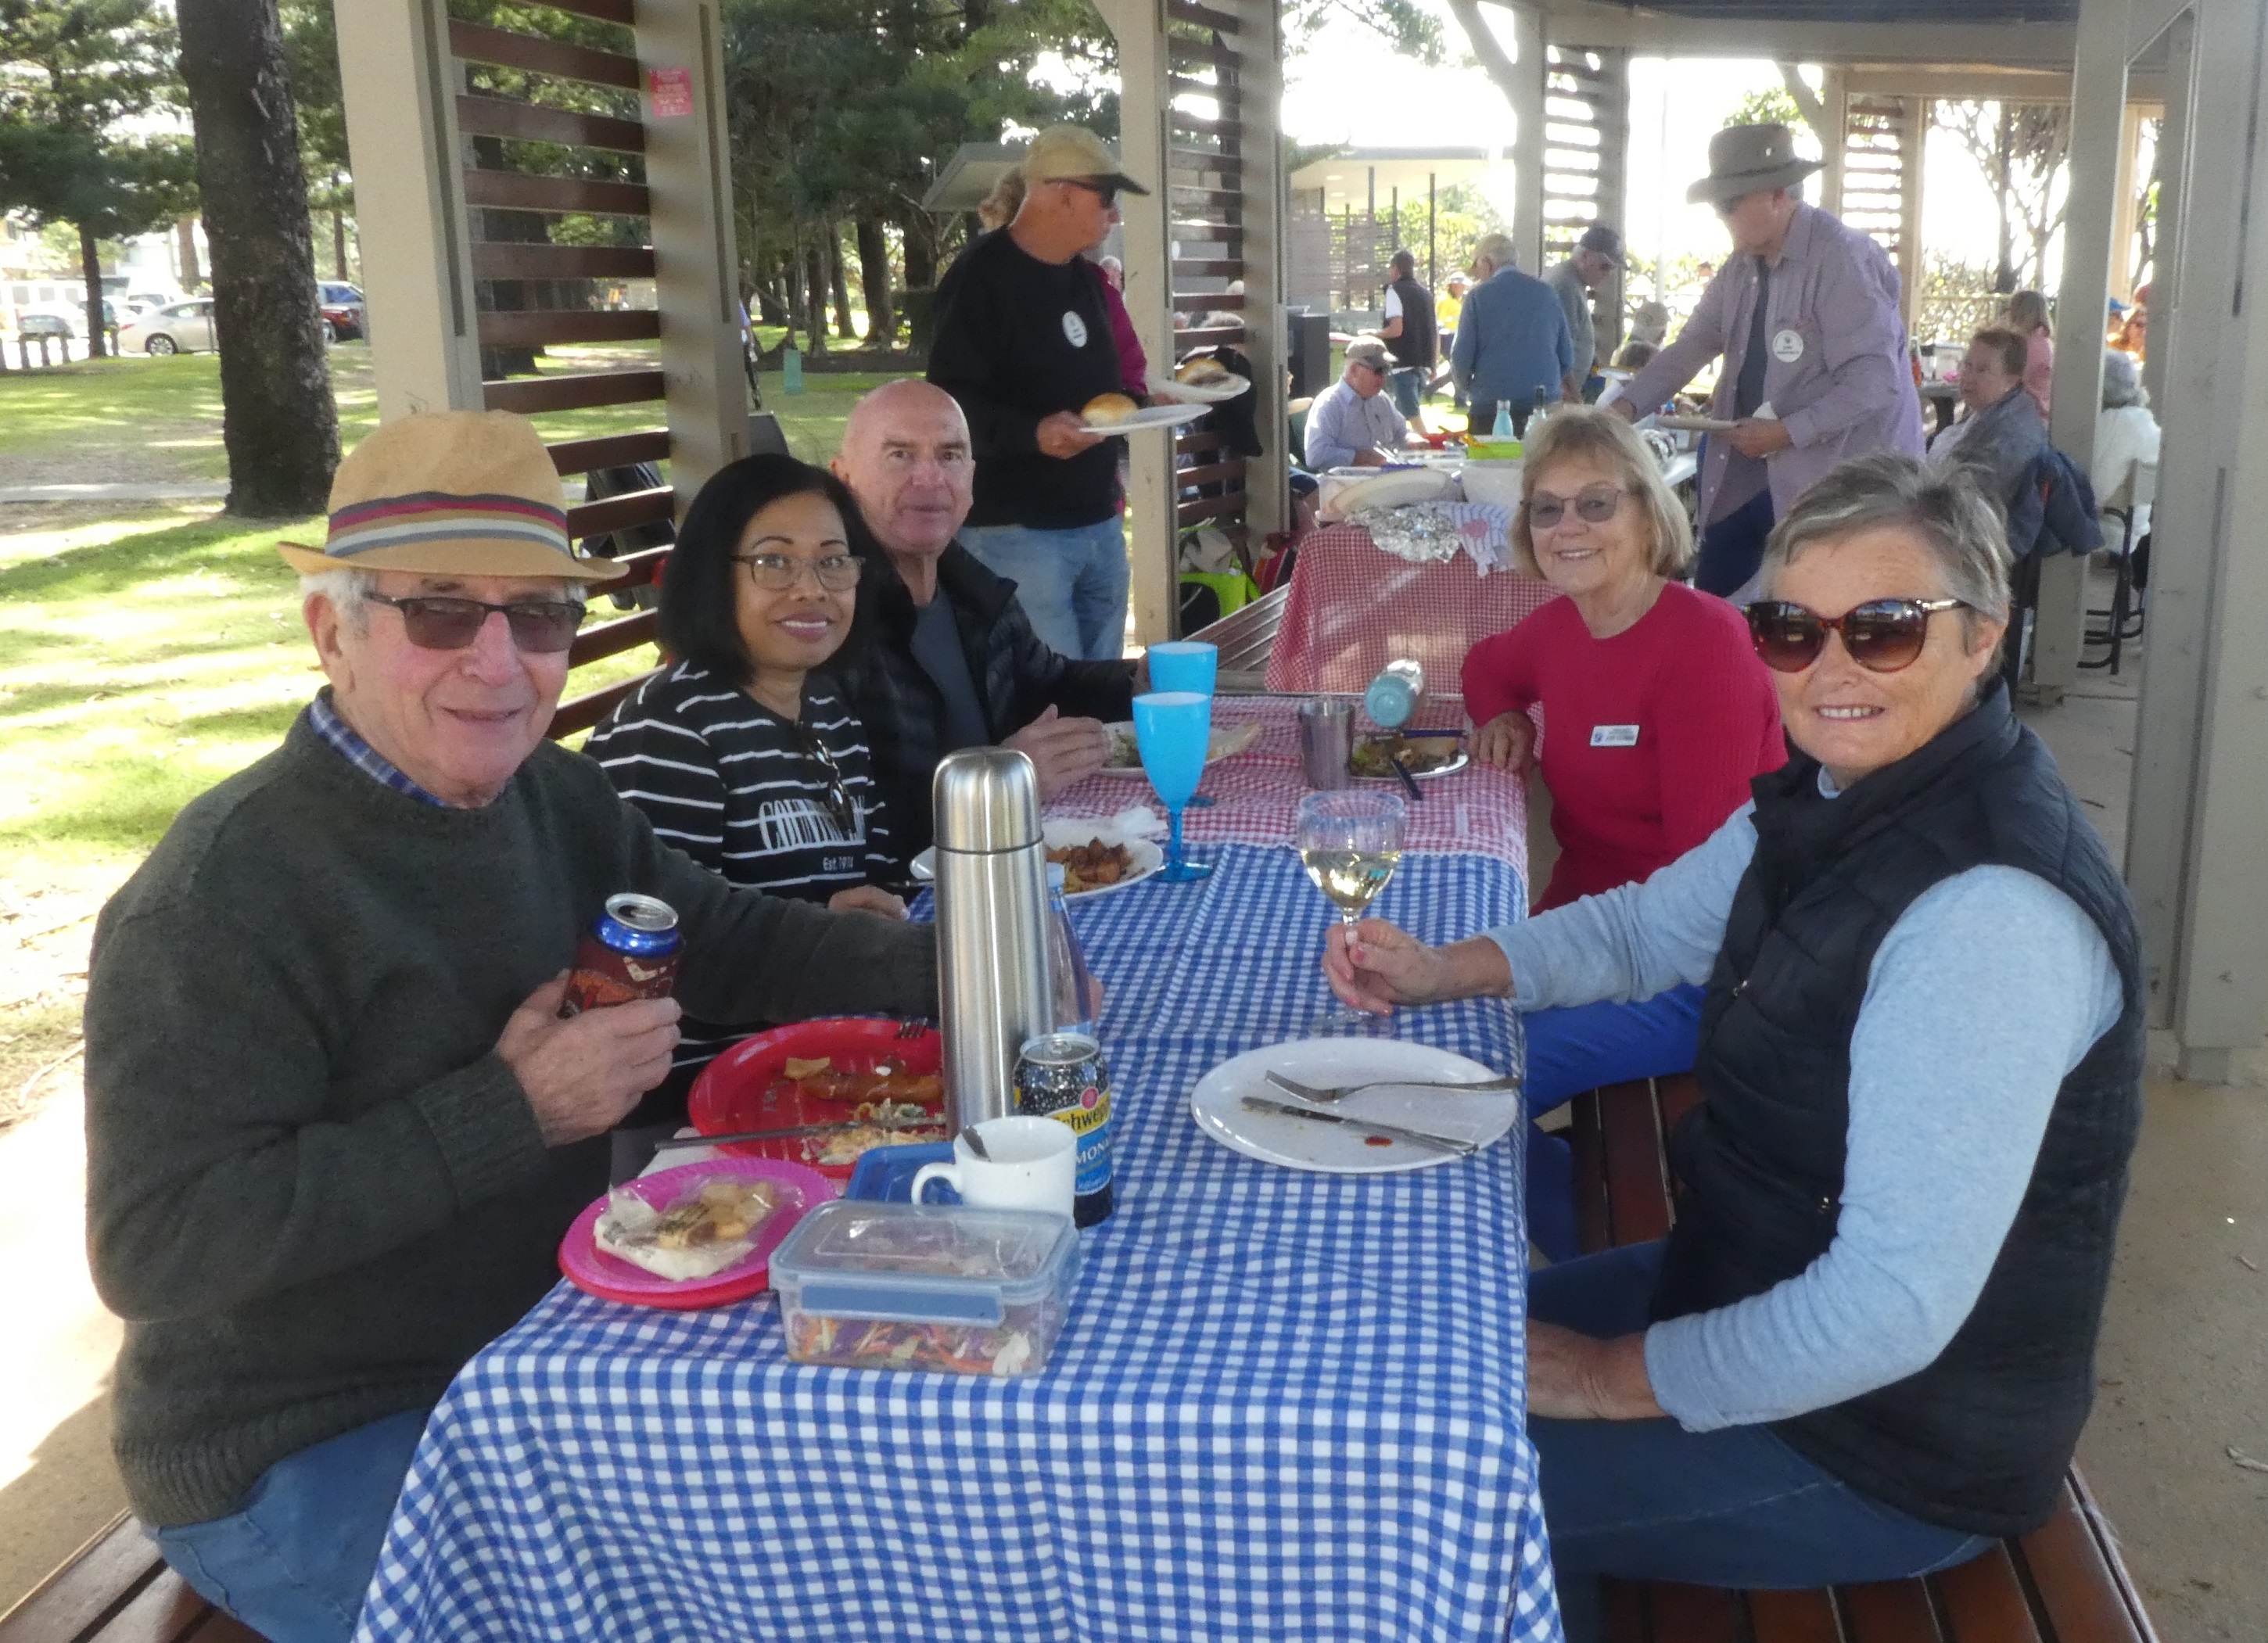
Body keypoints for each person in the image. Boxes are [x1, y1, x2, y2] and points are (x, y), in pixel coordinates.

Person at [82, 411, 937, 1643]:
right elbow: (155, 1245)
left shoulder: (549, 791)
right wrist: (516, 1109)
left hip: (536, 1354)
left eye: (539, 617)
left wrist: (958, 969)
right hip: (302, 1440)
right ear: (335, 631)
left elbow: (735, 937)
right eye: (440, 610)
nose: (499, 660)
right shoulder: (221, 894)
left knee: (841, 1539)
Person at [1324, 454, 2142, 1642]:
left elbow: (1884, 1313)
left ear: (1985, 637)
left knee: (1413, 1487)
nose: (1833, 667)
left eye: (1887, 628)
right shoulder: (1837, 786)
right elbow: (1649, 925)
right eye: (1792, 629)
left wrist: (1611, 1383)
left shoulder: (1989, 915)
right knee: (1408, 1351)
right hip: (1746, 1275)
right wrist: (1447, 968)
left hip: (1892, 1442)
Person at [1461, 408, 1784, 1114]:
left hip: (1693, 970)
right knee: (1427, 1036)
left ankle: (1596, 1230)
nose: (1567, 526)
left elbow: (1698, 893)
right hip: (1585, 922)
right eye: (1547, 508)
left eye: (1596, 503)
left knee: (1470, 1082)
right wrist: (1504, 714)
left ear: (1647, 514)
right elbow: (1485, 668)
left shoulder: (1707, 648)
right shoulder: (1559, 628)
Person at [584, 455, 907, 1128]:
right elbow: (658, 962)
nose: (810, 589)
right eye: (773, 562)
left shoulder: (830, 714)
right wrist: (823, 924)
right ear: (712, 575)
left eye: (833, 561)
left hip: (826, 1075)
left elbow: (870, 882)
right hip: (704, 1109)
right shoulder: (670, 730)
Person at [825, 380, 1137, 868]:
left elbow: (1047, 682)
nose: (930, 479)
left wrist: (1138, 681)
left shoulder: (971, 588)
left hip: (1009, 862)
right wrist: (1002, 781)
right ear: (844, 478)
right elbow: (844, 822)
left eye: (949, 456)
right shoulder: (830, 622)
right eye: (900, 455)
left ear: (972, 475)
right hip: (907, 907)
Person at [1617, 124, 1924, 600]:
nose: (1722, 216)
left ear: (1778, 195)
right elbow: (1693, 344)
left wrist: (1787, 432)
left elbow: (1876, 380)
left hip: (1846, 491)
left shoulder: (1840, 257)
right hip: (1752, 474)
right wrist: (1625, 409)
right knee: (1717, 605)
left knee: (1814, 622)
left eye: (1729, 203)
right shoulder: (1741, 267)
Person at [928, 124, 1151, 661]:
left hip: (1097, 521)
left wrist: (1141, 405)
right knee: (1051, 706)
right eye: (1107, 199)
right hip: (1016, 532)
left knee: (1102, 702)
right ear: (1063, 193)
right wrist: (1033, 433)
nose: (1113, 214)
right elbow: (949, 408)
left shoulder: (1084, 279)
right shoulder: (981, 279)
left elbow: (1100, 387)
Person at [1452, 231, 1577, 436]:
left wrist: (1471, 388)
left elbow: (1461, 358)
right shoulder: (1547, 293)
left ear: (1486, 262)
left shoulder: (1478, 297)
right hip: (1544, 408)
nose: (1478, 275)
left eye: (1478, 268)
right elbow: (1566, 357)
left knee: (1488, 467)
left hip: (1490, 408)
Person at [1926, 328, 2050, 511]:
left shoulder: (2011, 435)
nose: (1969, 377)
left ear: (2011, 381)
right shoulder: (1989, 410)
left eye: (1982, 370)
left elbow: (1965, 501)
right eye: (1967, 365)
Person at [1545, 223, 1626, 398]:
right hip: (1558, 392)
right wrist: (1574, 397)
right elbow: (1559, 349)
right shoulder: (1564, 286)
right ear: (1584, 257)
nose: (1609, 274)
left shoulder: (1573, 281)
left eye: (1612, 269)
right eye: (1605, 266)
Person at [1304, 337, 1409, 470]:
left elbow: (1402, 432)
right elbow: (1315, 456)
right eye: (1378, 370)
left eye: (1386, 369)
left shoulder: (1382, 399)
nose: (1383, 376)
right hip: (1346, 486)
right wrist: (1361, 457)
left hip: (1384, 481)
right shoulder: (1330, 403)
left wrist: (1412, 440)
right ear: (1354, 370)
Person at [2092, 349, 2159, 536]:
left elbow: (2093, 491)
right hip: (2132, 532)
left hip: (2104, 530)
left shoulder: (2115, 423)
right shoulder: (2145, 421)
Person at [1378, 248, 1437, 429]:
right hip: (1423, 365)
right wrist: (1433, 364)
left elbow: (1396, 329)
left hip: (1402, 365)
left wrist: (1372, 334)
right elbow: (1434, 332)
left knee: (1413, 416)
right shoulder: (1426, 294)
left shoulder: (1394, 291)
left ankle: (1430, 450)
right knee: (1397, 418)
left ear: (1395, 269)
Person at [2004, 289, 2054, 418]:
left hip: (2025, 414)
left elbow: (2009, 383)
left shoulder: (2025, 345)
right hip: (2043, 412)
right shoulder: (2047, 343)